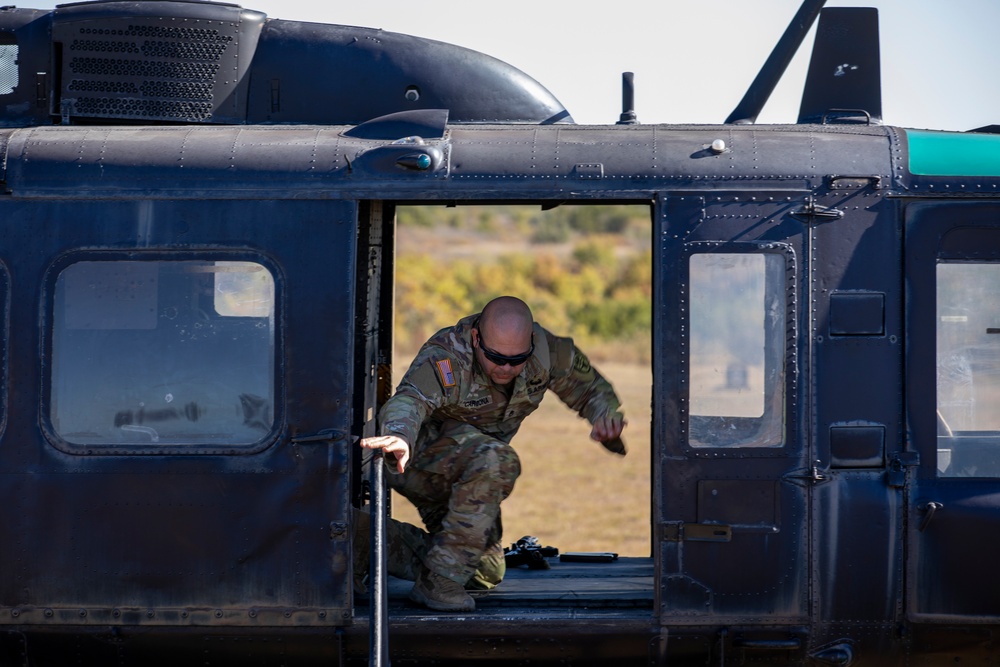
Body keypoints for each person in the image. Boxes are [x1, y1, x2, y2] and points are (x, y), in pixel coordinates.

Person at [358, 295, 626, 612]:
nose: (506, 368)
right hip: (416, 459)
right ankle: (439, 583)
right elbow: (411, 400)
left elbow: (592, 389)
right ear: (476, 338)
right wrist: (400, 435)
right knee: (498, 460)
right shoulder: (447, 354)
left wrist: (603, 416)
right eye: (496, 358)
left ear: (531, 342)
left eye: (517, 360)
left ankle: (358, 538)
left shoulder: (549, 352)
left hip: (474, 472)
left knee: (484, 572)